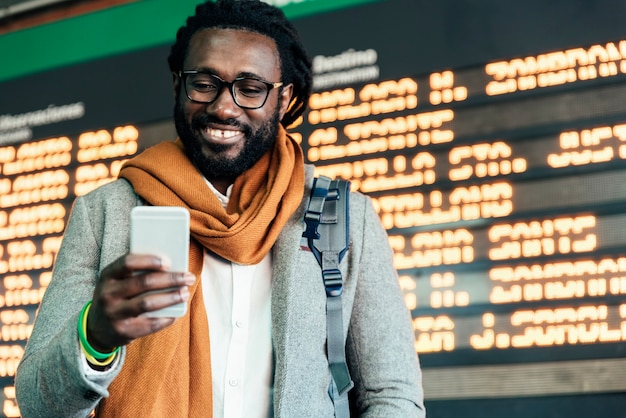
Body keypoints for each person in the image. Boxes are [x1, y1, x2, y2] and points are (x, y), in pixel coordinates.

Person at [15, 0, 425, 416]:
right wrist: (95, 336)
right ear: (178, 84)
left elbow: (391, 396)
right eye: (205, 83)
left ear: (284, 100)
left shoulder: (346, 217)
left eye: (250, 88)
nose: (224, 107)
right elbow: (36, 404)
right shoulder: (103, 214)